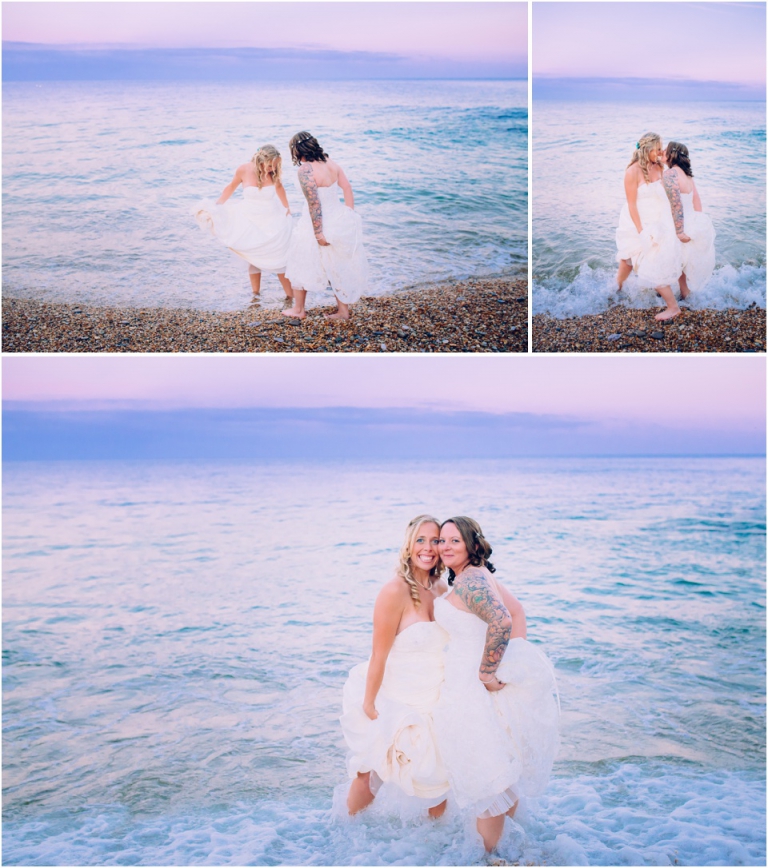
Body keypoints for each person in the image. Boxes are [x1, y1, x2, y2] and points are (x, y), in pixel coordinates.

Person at [433, 517, 559, 853]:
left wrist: (487, 672)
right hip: (468, 686)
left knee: (487, 780)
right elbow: (517, 611)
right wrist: (512, 660)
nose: (445, 547)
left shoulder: (469, 582)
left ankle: (490, 857)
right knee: (496, 770)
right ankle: (511, 850)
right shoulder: (476, 574)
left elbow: (503, 619)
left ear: (472, 544)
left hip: (471, 688)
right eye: (441, 541)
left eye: (454, 541)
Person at [340, 515, 450, 817]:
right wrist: (369, 704)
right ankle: (347, 834)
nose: (428, 548)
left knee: (439, 777)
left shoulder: (441, 588)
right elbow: (379, 654)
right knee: (371, 771)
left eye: (435, 541)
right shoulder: (394, 591)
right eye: (421, 540)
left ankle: (436, 849)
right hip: (397, 696)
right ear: (409, 545)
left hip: (435, 696)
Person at [283, 132, 369, 321]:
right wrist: (349, 214)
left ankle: (299, 310)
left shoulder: (305, 170)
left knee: (300, 260)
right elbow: (347, 188)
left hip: (315, 223)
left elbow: (314, 204)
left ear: (297, 151)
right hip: (338, 219)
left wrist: (318, 233)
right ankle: (343, 311)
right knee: (337, 265)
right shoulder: (330, 161)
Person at [193, 144, 294, 300]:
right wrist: (217, 206)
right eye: (269, 165)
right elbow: (231, 187)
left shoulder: (273, 172)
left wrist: (287, 207)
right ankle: (255, 294)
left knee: (278, 258)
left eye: (275, 165)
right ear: (261, 160)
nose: (272, 168)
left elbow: (280, 188)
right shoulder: (244, 169)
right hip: (250, 219)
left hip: (271, 219)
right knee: (252, 256)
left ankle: (290, 296)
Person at [615, 132, 686, 321]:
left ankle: (673, 307)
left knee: (652, 262)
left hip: (658, 222)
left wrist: (664, 161)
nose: (662, 151)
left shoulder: (660, 168)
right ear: (647, 150)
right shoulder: (632, 172)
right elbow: (631, 205)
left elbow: (674, 192)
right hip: (637, 222)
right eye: (658, 148)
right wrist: (641, 232)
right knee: (627, 260)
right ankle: (616, 290)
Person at [661, 141, 716, 297]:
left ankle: (665, 293)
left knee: (669, 258)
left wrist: (679, 231)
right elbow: (696, 199)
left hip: (677, 222)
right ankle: (684, 292)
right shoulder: (687, 175)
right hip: (689, 219)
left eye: (665, 150)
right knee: (680, 259)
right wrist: (698, 222)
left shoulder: (670, 174)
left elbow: (676, 203)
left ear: (672, 154)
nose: (662, 152)